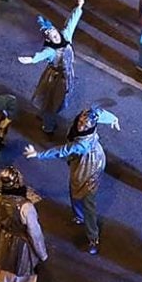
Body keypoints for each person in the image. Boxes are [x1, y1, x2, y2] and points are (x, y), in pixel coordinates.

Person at [26, 104, 120, 255]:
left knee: (88, 203)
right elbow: (99, 113)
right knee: (74, 190)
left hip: (89, 168)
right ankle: (79, 215)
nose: (81, 125)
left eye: (84, 125)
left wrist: (39, 154)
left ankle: (93, 237)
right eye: (81, 122)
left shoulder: (82, 144)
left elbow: (61, 151)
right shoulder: (88, 115)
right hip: (83, 163)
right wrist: (113, 119)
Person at [20, 0, 86, 137]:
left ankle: (44, 114)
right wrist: (31, 60)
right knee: (51, 102)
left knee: (55, 101)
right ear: (48, 38)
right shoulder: (50, 50)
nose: (54, 35)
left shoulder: (65, 36)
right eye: (50, 35)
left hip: (67, 76)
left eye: (53, 32)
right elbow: (41, 55)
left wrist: (79, 6)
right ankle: (48, 126)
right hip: (55, 80)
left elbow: (71, 22)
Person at [0, 169, 48, 282]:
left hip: (4, 246)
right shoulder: (26, 207)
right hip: (23, 250)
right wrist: (42, 255)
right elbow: (35, 234)